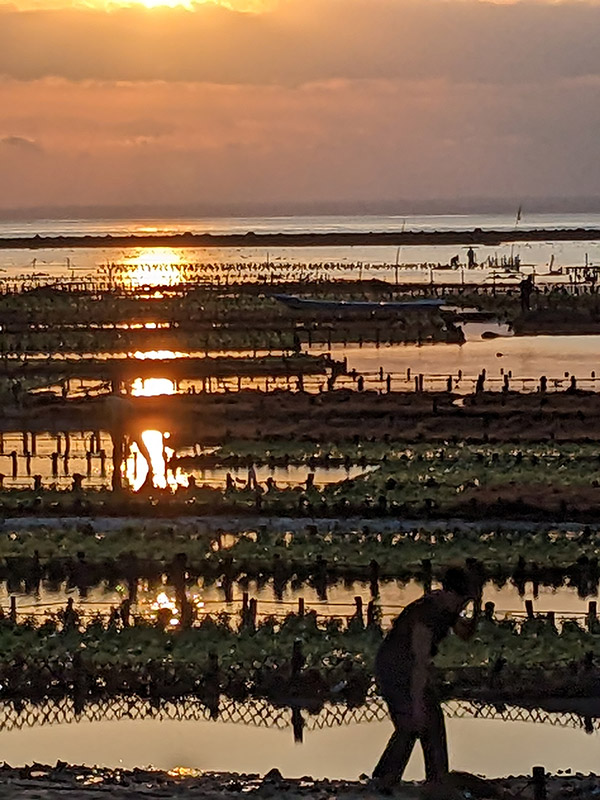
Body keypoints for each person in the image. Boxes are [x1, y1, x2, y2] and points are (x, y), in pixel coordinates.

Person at [373, 566, 482, 792]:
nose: (461, 607)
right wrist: (416, 701)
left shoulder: (447, 608)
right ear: (451, 593)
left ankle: (437, 778)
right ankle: (383, 779)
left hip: (411, 668)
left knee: (432, 722)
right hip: (395, 669)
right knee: (410, 723)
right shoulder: (427, 614)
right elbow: (419, 662)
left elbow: (465, 634)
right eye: (461, 601)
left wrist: (477, 607)